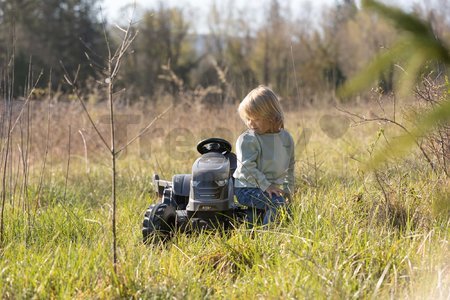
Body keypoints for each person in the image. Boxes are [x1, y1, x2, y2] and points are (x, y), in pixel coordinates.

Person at [233, 85, 295, 226]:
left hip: (269, 187)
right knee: (277, 205)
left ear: (271, 116)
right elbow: (246, 168)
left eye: (256, 119)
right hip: (247, 188)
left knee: (288, 210)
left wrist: (288, 190)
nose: (250, 123)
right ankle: (270, 237)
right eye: (248, 118)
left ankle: (269, 231)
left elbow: (290, 165)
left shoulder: (285, 138)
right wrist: (267, 186)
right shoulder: (248, 139)